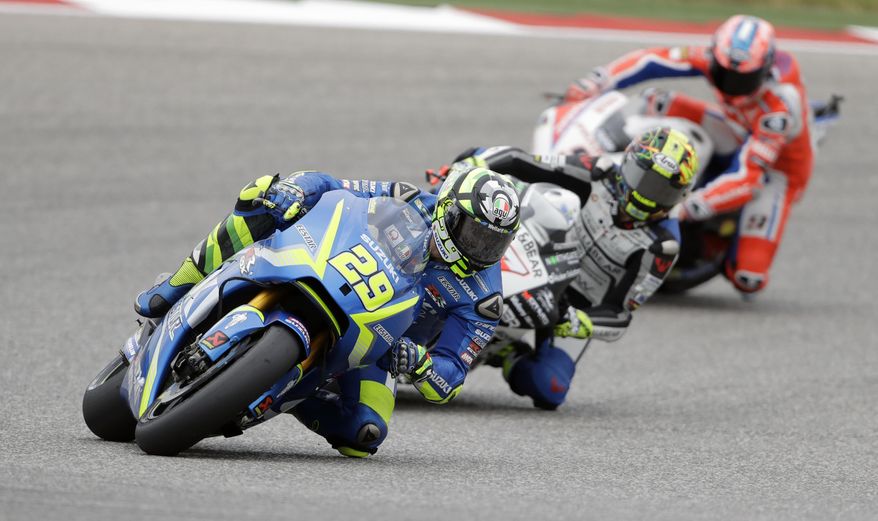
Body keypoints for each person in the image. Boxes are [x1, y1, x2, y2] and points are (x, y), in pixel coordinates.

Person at [134, 164, 520, 456]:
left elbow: (450, 378)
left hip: (381, 346)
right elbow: (333, 185)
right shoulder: (409, 200)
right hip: (330, 272)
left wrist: (420, 364)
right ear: (447, 211)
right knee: (260, 198)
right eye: (474, 233)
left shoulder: (483, 298)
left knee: (364, 436)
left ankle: (285, 391)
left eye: (493, 243)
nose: (480, 250)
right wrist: (294, 190)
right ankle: (175, 286)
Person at [449, 127, 697, 409]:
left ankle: (506, 353)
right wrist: (477, 163)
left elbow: (620, 314)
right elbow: (525, 162)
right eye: (643, 179)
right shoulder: (600, 171)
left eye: (662, 191)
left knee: (550, 387)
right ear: (628, 163)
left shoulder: (663, 245)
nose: (646, 196)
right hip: (542, 253)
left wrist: (577, 321)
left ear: (680, 196)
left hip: (572, 304)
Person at [563, 15, 812, 295]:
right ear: (715, 55)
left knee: (748, 276)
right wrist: (598, 80)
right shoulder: (712, 56)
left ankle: (716, 238)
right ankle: (612, 151)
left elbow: (749, 179)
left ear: (764, 70)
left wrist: (686, 207)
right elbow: (651, 59)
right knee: (656, 100)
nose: (730, 85)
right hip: (736, 129)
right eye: (724, 73)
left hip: (776, 169)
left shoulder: (779, 107)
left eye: (743, 80)